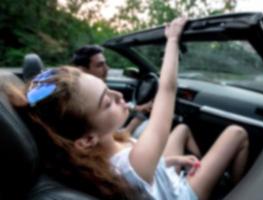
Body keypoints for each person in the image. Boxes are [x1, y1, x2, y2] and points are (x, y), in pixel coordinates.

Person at [5, 17, 249, 200]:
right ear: (87, 139)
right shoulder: (133, 164)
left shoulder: (98, 161)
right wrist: (173, 39)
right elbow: (167, 89)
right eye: (107, 102)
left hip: (162, 176)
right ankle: (239, 191)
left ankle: (204, 168)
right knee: (237, 133)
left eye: (107, 88)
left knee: (182, 128)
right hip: (179, 195)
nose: (118, 95)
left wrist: (173, 160)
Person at [71, 37, 201, 158]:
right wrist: (131, 127)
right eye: (100, 65)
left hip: (122, 141)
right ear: (82, 70)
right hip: (126, 147)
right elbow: (168, 89)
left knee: (143, 119)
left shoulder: (92, 90)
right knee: (181, 129)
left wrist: (138, 111)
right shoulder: (82, 101)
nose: (107, 68)